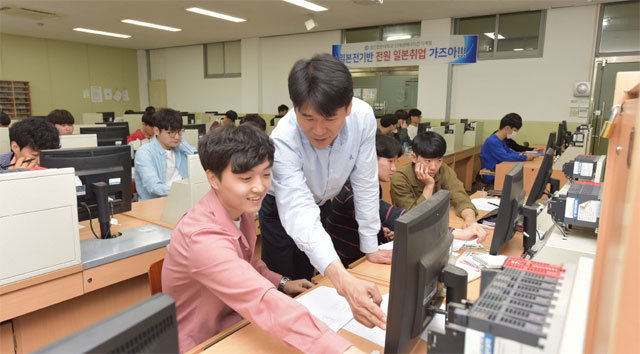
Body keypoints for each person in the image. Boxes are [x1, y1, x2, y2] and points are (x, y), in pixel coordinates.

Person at [162, 125, 356, 354]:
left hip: (238, 323)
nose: (260, 187)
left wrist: (282, 282)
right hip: (205, 341)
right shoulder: (202, 237)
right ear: (213, 179)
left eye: (266, 174)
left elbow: (245, 265)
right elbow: (259, 298)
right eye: (246, 178)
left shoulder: (238, 211)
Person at [260, 53, 389, 331]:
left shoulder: (364, 118)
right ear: (294, 110)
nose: (318, 130)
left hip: (320, 203)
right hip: (279, 208)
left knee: (308, 275)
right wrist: (344, 282)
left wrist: (370, 245)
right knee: (285, 282)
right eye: (307, 118)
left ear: (348, 107)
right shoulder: (283, 138)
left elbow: (366, 181)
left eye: (329, 118)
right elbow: (298, 212)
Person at [327, 134, 490, 267]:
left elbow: (374, 216)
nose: (394, 168)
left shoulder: (369, 183)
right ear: (368, 159)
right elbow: (399, 215)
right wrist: (458, 234)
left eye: (395, 161)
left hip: (368, 251)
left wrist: (381, 229)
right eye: (390, 161)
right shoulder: (354, 190)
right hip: (349, 262)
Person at [390, 131, 479, 228]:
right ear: (414, 158)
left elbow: (460, 198)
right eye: (428, 161)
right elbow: (413, 218)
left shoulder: (443, 169)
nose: (433, 167)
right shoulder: (400, 178)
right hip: (411, 231)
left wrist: (470, 220)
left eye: (439, 160)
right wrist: (429, 186)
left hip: (436, 224)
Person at [134, 108, 196, 201]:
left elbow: (199, 160)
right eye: (171, 133)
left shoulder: (180, 149)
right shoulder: (144, 153)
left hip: (184, 199)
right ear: (156, 131)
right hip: (156, 204)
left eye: (179, 132)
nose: (177, 137)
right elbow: (154, 187)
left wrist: (181, 143)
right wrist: (184, 190)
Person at [480, 113, 535, 184]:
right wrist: (524, 157)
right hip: (493, 175)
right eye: (515, 130)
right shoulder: (492, 141)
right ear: (507, 128)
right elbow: (506, 157)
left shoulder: (501, 140)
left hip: (501, 170)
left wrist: (521, 154)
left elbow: (509, 152)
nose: (515, 133)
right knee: (526, 179)